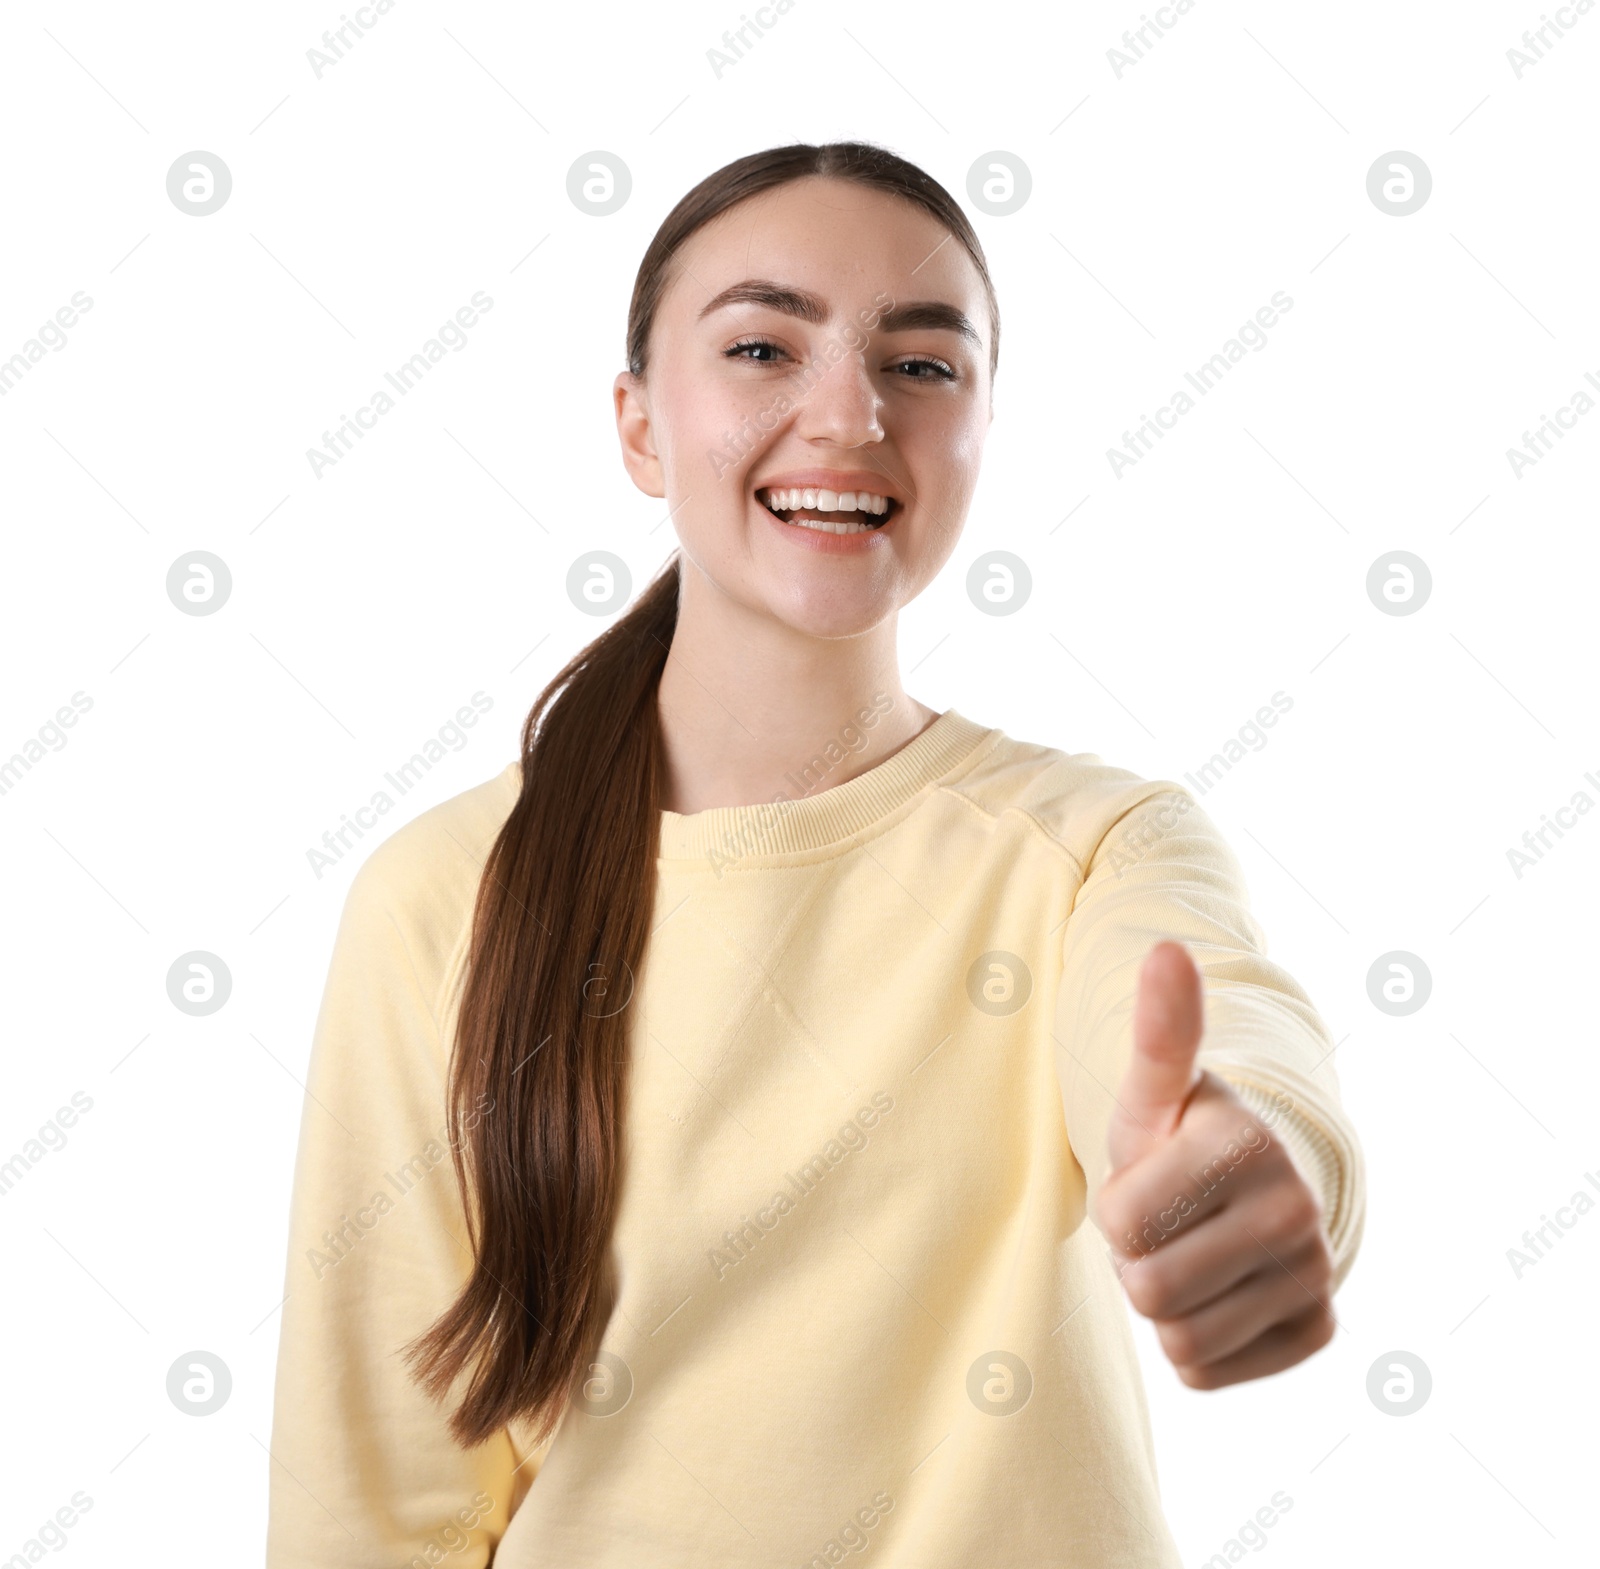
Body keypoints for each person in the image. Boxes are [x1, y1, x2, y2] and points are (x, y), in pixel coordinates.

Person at [264, 140, 1365, 1569]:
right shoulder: (440, 896)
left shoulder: (1090, 844)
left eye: (922, 366)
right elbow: (377, 1503)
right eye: (764, 346)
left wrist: (1242, 1158)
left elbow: (1208, 1035)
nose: (847, 415)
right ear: (641, 424)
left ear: (979, 426)